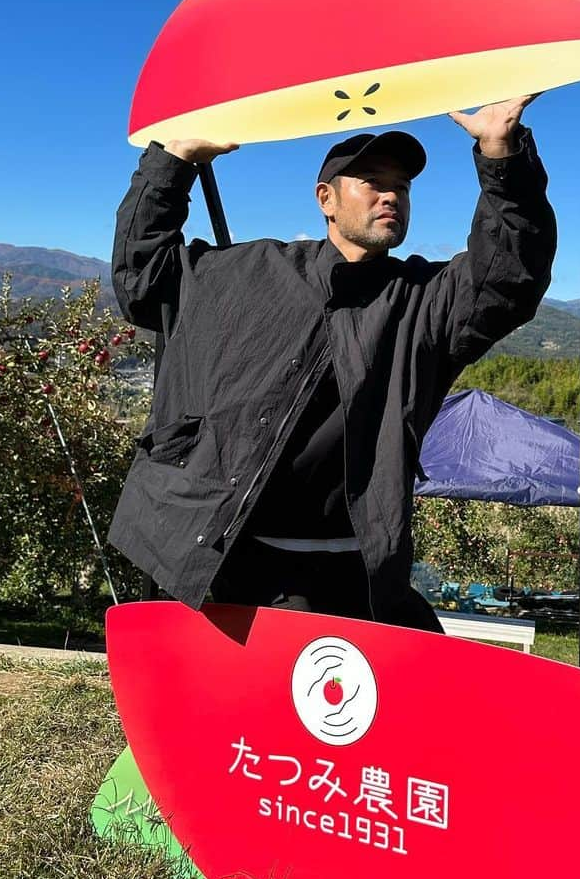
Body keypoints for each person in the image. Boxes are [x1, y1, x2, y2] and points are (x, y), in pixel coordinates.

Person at [107, 97, 556, 632]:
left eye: (403, 187)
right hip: (225, 559)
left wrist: (501, 156)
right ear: (327, 198)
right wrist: (172, 160)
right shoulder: (247, 272)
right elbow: (144, 279)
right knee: (231, 714)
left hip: (352, 573)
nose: (391, 195)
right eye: (372, 181)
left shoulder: (423, 300)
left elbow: (511, 276)